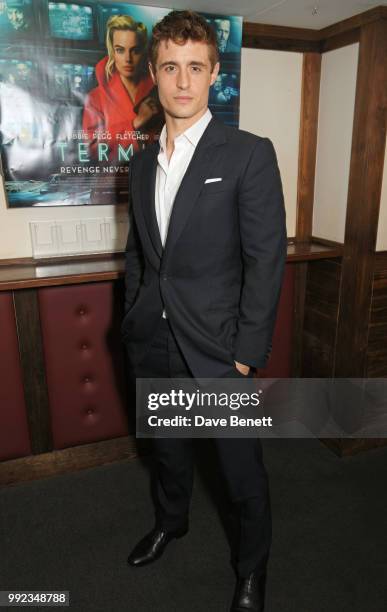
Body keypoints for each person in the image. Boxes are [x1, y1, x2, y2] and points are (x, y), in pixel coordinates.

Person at [121, 10, 287, 612]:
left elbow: (266, 261)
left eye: (196, 67)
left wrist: (246, 356)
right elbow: (140, 254)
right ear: (155, 74)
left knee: (241, 475)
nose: (182, 81)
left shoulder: (248, 154)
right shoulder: (141, 164)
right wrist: (132, 319)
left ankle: (252, 569)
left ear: (214, 74)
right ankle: (173, 522)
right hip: (153, 344)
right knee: (166, 452)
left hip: (220, 353)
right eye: (170, 67)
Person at [82, 14, 162, 160]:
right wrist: (136, 122)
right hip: (113, 179)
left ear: (143, 51)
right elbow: (92, 150)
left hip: (151, 178)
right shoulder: (95, 98)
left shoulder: (158, 92)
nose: (128, 59)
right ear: (112, 51)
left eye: (135, 50)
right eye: (120, 50)